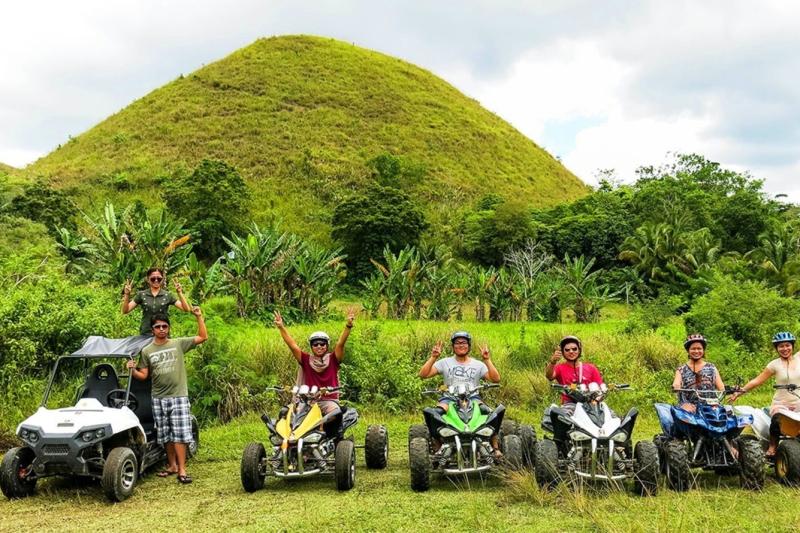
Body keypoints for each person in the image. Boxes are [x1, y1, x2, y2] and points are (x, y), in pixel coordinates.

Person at [126, 307, 207, 484]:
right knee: (165, 434)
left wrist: (199, 316)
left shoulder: (178, 344)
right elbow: (144, 376)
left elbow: (202, 337)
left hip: (178, 396)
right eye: (158, 327)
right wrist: (132, 370)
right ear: (152, 330)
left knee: (180, 434)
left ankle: (182, 470)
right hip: (158, 398)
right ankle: (172, 466)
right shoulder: (147, 351)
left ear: (168, 328)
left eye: (164, 326)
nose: (161, 329)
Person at [418, 331, 502, 456]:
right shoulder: (445, 362)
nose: (461, 345)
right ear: (453, 346)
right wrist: (433, 357)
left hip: (473, 397)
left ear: (469, 345)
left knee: (490, 413)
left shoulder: (478, 364)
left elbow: (496, 379)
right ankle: (437, 445)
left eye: (464, 342)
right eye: (457, 343)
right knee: (435, 414)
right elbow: (423, 375)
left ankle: (495, 447)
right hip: (449, 398)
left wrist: (487, 360)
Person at [274, 308, 356, 417]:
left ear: (327, 345)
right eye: (315, 344)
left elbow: (341, 343)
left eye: (322, 344)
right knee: (289, 415)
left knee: (335, 414)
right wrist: (281, 327)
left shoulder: (333, 359)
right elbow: (292, 346)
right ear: (311, 346)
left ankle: (331, 428)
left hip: (328, 400)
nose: (319, 346)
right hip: (309, 401)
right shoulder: (306, 360)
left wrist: (348, 326)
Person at [730, 332, 800, 457]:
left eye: (787, 345)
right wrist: (739, 392)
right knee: (777, 418)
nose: (785, 349)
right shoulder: (774, 364)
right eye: (781, 346)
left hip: (798, 401)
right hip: (781, 403)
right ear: (776, 348)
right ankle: (772, 446)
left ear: (792, 346)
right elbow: (757, 381)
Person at [121, 267, 191, 336]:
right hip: (146, 333)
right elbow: (125, 310)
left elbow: (186, 309)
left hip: (163, 333)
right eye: (153, 278)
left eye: (159, 278)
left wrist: (179, 292)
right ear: (148, 279)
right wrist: (127, 294)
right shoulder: (142, 294)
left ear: (162, 279)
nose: (156, 280)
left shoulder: (167, 295)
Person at [545, 335, 604, 414]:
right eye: (567, 350)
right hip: (570, 405)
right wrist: (553, 362)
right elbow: (549, 376)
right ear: (563, 352)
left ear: (579, 350)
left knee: (611, 416)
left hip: (592, 403)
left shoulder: (591, 368)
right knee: (564, 416)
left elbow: (600, 388)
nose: (571, 352)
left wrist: (596, 400)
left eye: (574, 349)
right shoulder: (560, 368)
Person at [672, 333, 724, 413]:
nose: (696, 351)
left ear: (703, 350)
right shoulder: (681, 369)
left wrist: (731, 390)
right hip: (688, 407)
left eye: (699, 348)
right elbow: (676, 383)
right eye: (693, 349)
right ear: (688, 350)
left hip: (711, 407)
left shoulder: (712, 368)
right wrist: (676, 386)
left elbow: (721, 388)